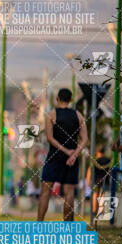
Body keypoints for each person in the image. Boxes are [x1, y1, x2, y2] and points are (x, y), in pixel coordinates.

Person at [38, 88, 88, 221]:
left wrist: (65, 151)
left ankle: (38, 224)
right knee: (69, 193)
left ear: (57, 99)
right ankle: (68, 227)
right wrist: (73, 155)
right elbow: (84, 139)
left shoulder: (51, 115)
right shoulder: (78, 116)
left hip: (54, 157)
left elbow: (49, 138)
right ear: (71, 100)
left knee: (45, 191)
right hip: (71, 160)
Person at [87, 145, 111, 216]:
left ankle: (94, 211)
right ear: (104, 152)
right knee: (103, 196)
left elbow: (89, 171)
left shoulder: (95, 161)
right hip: (105, 181)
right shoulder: (108, 160)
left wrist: (88, 181)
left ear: (98, 152)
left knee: (95, 195)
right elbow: (111, 171)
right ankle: (101, 212)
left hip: (96, 181)